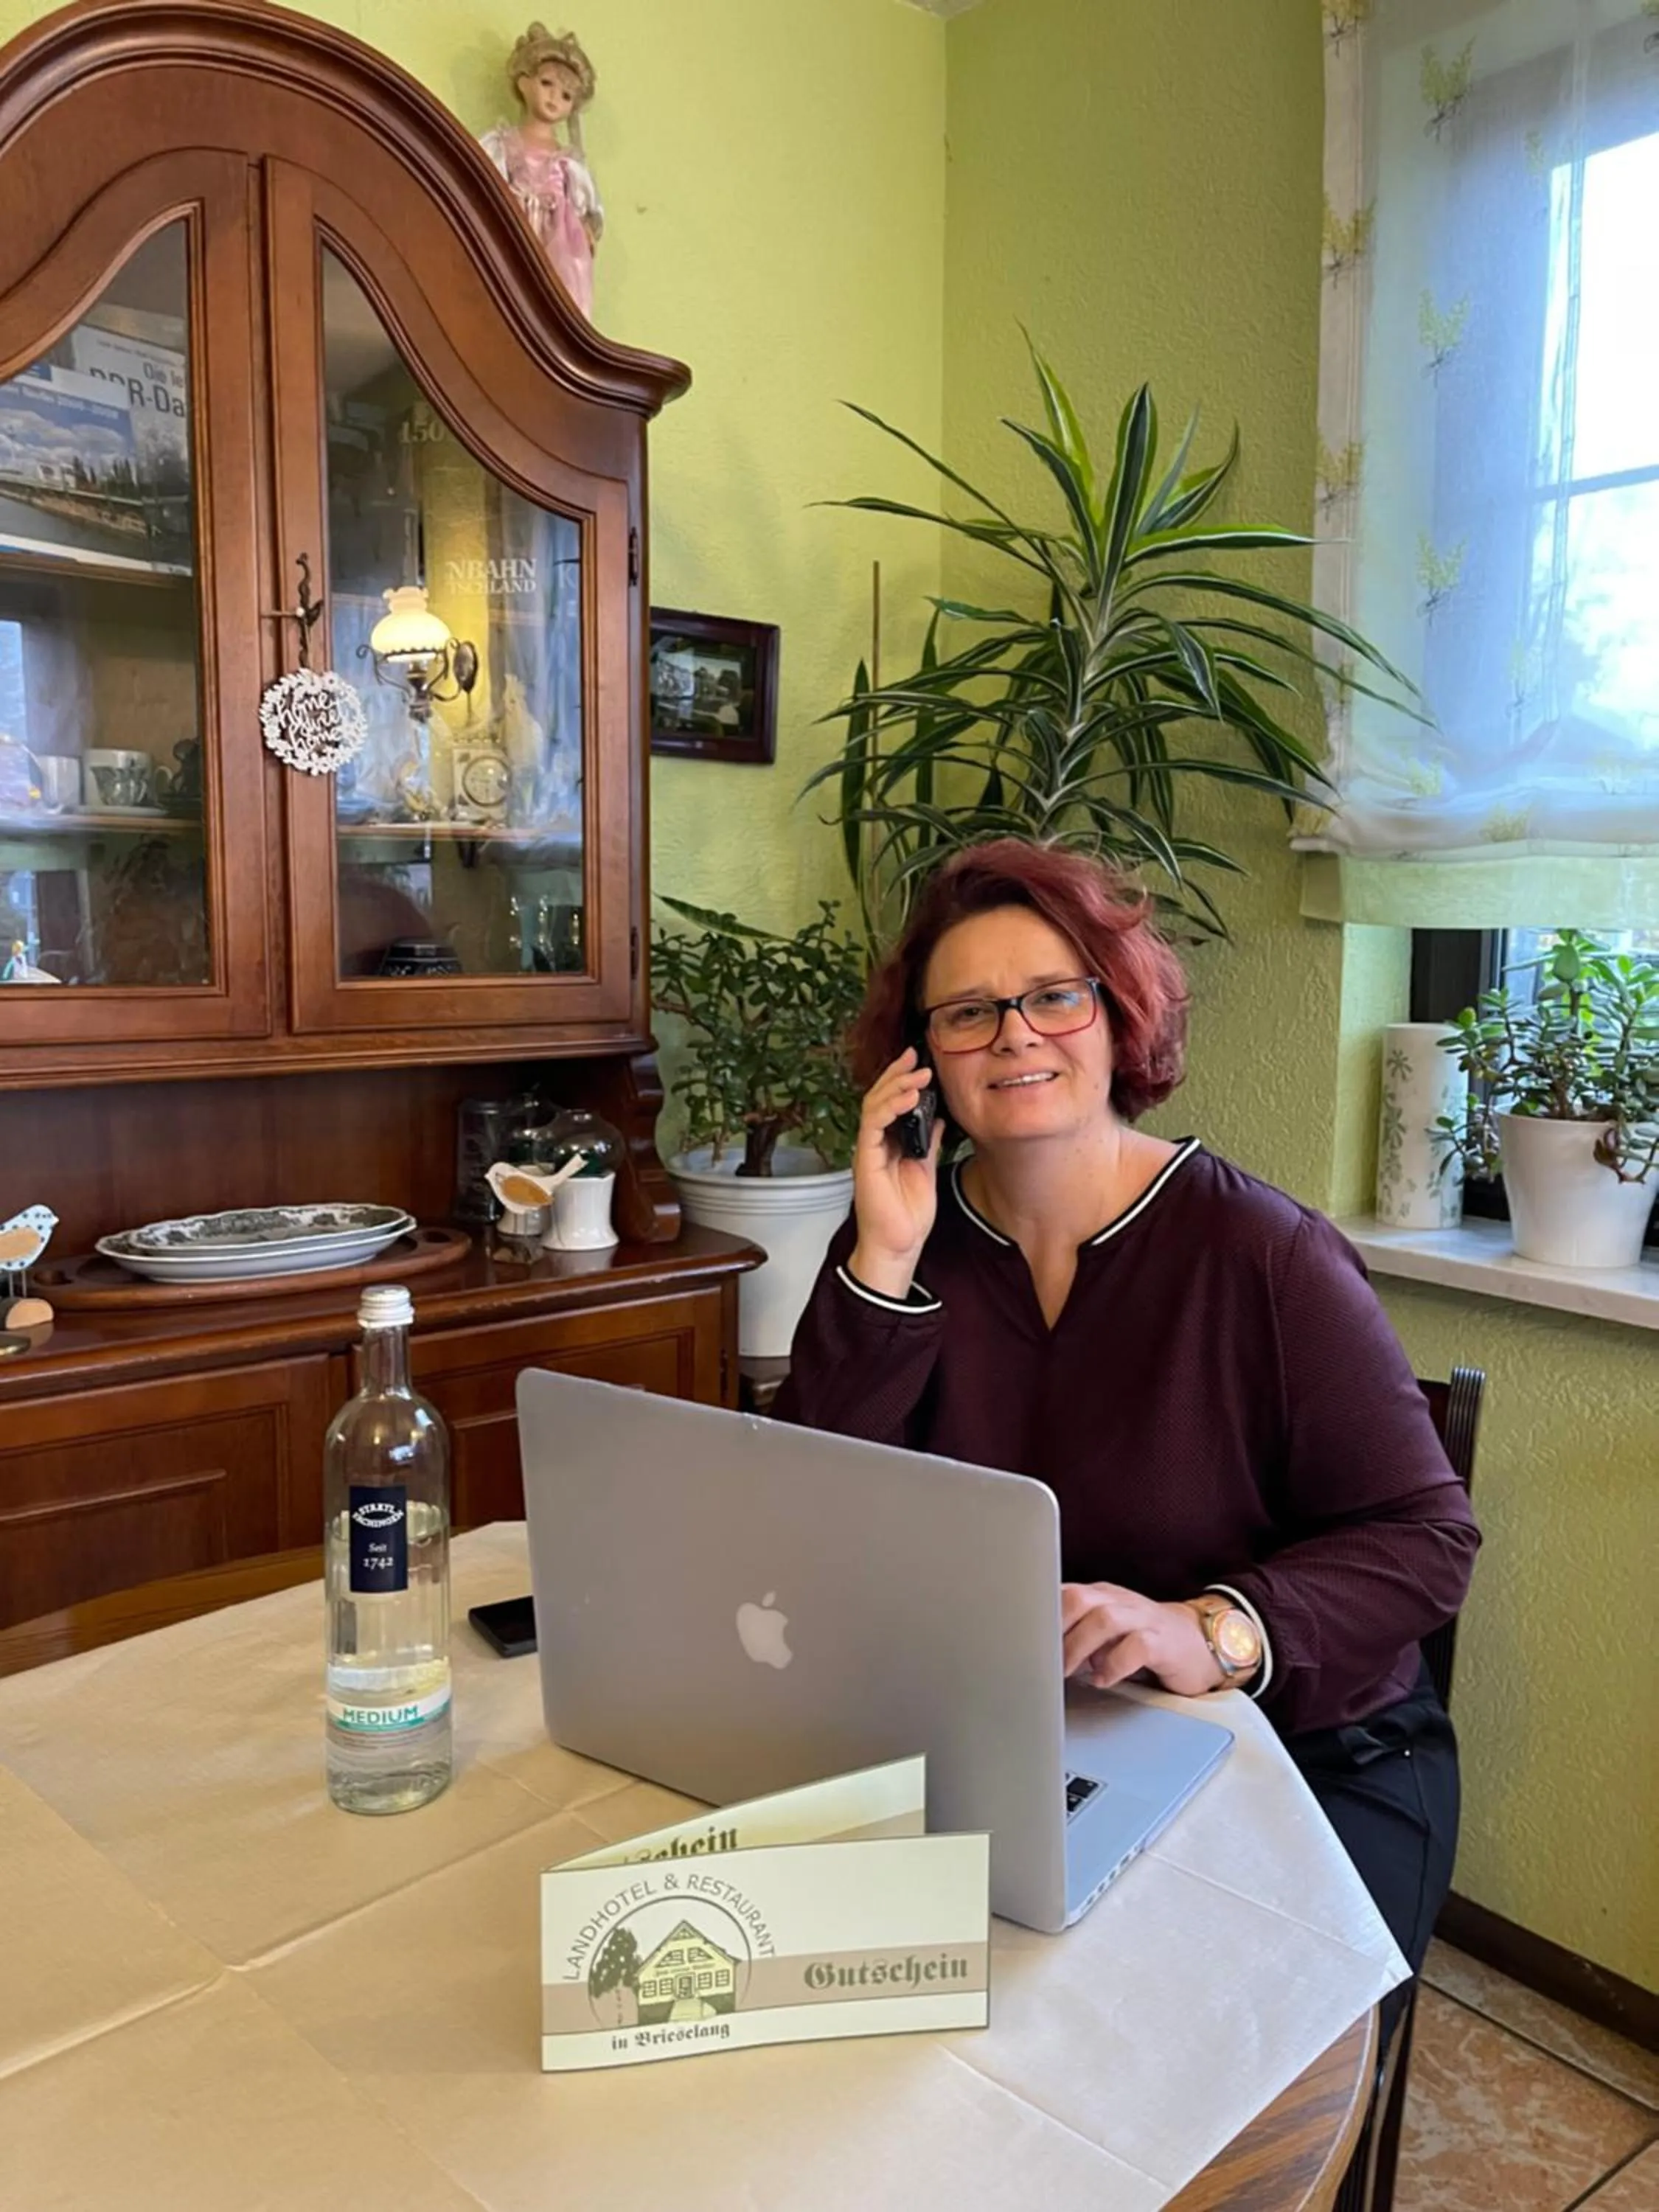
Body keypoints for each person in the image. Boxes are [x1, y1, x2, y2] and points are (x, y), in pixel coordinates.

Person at [775, 838, 1479, 2031]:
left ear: (1117, 1013)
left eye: (1054, 995)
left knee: (1165, 2051)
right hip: (1024, 1738)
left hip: (1310, 1757)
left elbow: (1428, 1538)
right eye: (967, 1012)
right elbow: (812, 1513)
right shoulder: (914, 1248)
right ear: (920, 1060)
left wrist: (1213, 1627)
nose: (1015, 1035)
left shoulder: (1266, 1257)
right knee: (858, 2012)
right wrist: (883, 1255)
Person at [480, 26, 604, 321]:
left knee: (555, 297)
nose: (554, 98)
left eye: (566, 95)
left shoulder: (568, 160)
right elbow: (479, 178)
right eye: (546, 83)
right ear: (524, 83)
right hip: (511, 226)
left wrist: (587, 227)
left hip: (557, 238)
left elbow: (587, 204)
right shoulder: (503, 143)